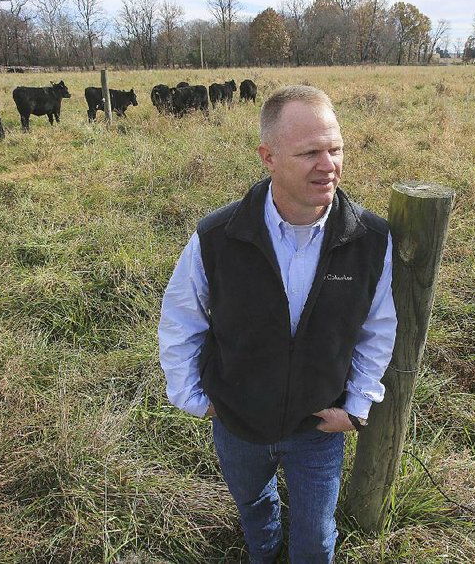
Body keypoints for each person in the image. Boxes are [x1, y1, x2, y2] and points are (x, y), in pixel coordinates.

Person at [158, 85, 397, 563]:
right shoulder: (217, 237)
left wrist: (356, 405)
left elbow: (377, 327)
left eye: (335, 149)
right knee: (253, 509)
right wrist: (196, 400)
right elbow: (182, 322)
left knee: (314, 537)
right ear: (267, 157)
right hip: (238, 424)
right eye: (309, 152)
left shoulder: (370, 239)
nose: (328, 165)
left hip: (318, 428)